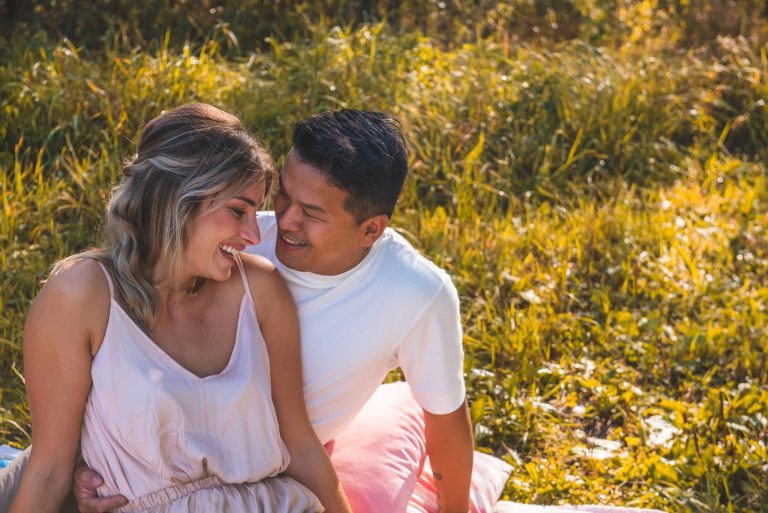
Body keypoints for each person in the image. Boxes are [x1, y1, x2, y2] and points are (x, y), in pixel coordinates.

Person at [74, 109, 476, 513]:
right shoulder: (232, 241)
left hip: (283, 470)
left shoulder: (416, 293)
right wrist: (90, 464)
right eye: (284, 193)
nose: (283, 220)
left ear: (371, 230)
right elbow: (125, 353)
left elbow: (444, 417)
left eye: (312, 213)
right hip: (175, 466)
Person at [8, 103, 352, 513]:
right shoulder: (82, 295)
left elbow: (302, 447)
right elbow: (50, 469)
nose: (252, 233)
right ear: (177, 200)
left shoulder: (259, 290)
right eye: (238, 211)